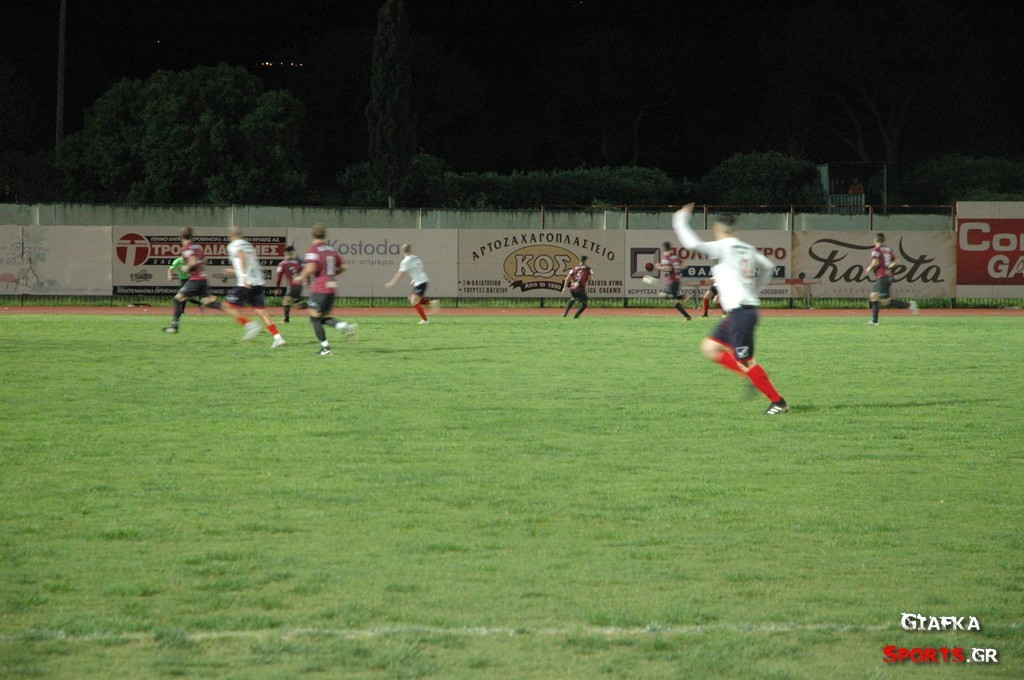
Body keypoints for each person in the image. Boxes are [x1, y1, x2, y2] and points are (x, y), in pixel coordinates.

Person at [672, 204, 789, 415]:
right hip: (741, 311)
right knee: (710, 348)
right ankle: (752, 376)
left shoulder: (722, 247)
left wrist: (679, 219)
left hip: (741, 313)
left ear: (717, 229)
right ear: (735, 229)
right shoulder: (747, 248)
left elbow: (692, 244)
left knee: (746, 361)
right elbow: (769, 266)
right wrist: (755, 289)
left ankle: (778, 402)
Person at [294, 223, 357, 356]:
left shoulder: (314, 249)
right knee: (321, 317)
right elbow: (344, 267)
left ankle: (326, 349)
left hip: (321, 288)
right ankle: (345, 326)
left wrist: (300, 277)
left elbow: (311, 268)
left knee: (314, 318)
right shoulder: (330, 249)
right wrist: (332, 274)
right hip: (331, 287)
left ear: (312, 235)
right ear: (324, 235)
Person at [221, 225, 286, 348]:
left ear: (231, 235)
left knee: (227, 306)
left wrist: (244, 276)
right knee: (261, 312)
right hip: (258, 281)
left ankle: (250, 325)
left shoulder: (233, 245)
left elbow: (242, 256)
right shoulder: (248, 245)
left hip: (246, 282)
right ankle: (278, 338)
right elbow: (248, 262)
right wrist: (235, 271)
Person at [163, 227, 222, 334]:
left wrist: (186, 267)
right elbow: (205, 260)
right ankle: (231, 308)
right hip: (203, 278)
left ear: (181, 237)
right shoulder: (197, 246)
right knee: (208, 303)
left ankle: (174, 327)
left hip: (196, 279)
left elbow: (193, 262)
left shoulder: (186, 248)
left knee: (177, 299)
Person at [867, 233, 918, 325]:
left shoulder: (876, 250)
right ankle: (874, 321)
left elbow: (875, 262)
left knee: (886, 301)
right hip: (886, 276)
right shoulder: (888, 249)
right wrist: (889, 267)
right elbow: (897, 262)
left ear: (875, 240)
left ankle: (909, 305)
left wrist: (869, 268)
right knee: (873, 296)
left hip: (882, 277)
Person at [384, 243, 439, 324]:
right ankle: (432, 303)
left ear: (403, 252)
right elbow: (419, 269)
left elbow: (400, 274)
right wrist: (414, 279)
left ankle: (425, 320)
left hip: (420, 282)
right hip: (422, 280)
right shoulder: (416, 258)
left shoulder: (405, 261)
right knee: (412, 298)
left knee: (414, 301)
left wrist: (392, 283)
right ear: (410, 250)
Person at [655, 241, 692, 320]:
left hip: (672, 281)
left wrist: (658, 267)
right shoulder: (675, 257)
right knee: (662, 294)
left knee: (672, 300)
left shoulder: (666, 258)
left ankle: (687, 316)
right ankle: (683, 297)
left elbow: (669, 268)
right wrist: (677, 270)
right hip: (676, 281)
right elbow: (684, 266)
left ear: (664, 249)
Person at [276, 245, 306, 323]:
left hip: (291, 286)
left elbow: (279, 278)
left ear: (285, 253)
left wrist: (277, 288)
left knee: (286, 301)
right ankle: (313, 304)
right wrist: (306, 281)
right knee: (298, 305)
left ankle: (286, 319)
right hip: (299, 285)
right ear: (293, 253)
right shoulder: (299, 263)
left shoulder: (282, 264)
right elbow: (305, 271)